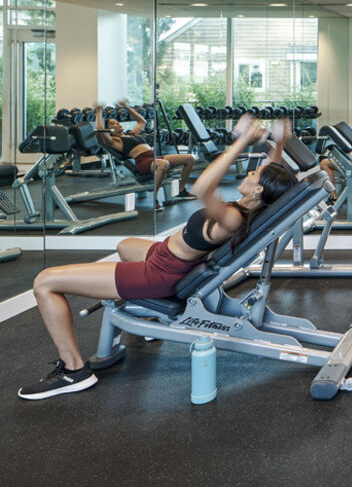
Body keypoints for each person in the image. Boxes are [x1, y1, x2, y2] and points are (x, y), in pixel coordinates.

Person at [19, 117, 296, 400]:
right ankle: (150, 317)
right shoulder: (252, 207)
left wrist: (241, 142)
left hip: (161, 273)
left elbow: (201, 189)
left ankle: (73, 370)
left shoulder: (232, 218)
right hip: (167, 255)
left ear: (259, 190)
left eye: (254, 174)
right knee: (126, 245)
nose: (249, 173)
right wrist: (279, 142)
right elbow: (273, 178)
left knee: (45, 282)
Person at [94, 101, 195, 205]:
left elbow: (142, 122)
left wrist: (125, 106)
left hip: (154, 157)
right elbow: (100, 131)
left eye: (117, 121)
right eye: (113, 123)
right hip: (143, 161)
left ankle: (181, 190)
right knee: (163, 164)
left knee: (190, 158)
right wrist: (99, 112)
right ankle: (154, 199)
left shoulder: (131, 134)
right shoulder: (115, 141)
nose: (117, 123)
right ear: (109, 129)